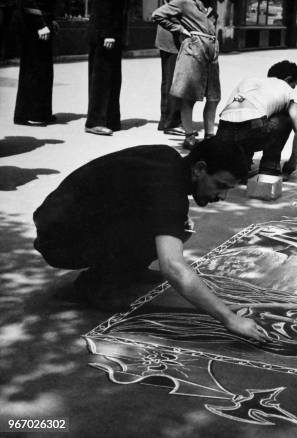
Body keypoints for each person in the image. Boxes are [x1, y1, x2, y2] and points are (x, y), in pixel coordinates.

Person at [33, 140, 269, 342]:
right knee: (167, 229)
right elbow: (173, 267)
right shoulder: (169, 189)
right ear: (199, 168)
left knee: (175, 226)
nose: (222, 196)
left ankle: (125, 269)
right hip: (60, 240)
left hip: (63, 221)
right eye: (220, 185)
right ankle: (97, 284)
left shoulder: (167, 160)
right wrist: (229, 319)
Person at [213, 60, 297, 179]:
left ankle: (241, 164)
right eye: (293, 86)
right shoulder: (285, 88)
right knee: (286, 117)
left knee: (254, 114)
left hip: (224, 133)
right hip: (253, 130)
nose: (292, 89)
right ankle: (270, 168)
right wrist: (291, 164)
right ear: (288, 80)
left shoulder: (249, 81)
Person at [153, 0, 220, 149]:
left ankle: (209, 135)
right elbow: (157, 15)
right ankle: (189, 136)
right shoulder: (184, 2)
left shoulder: (211, 8)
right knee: (188, 97)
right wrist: (179, 29)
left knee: (214, 97)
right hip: (194, 51)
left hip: (211, 53)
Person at [85, 0, 128, 136]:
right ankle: (95, 122)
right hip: (104, 36)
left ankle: (109, 120)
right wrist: (108, 33)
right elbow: (102, 8)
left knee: (112, 80)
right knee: (101, 81)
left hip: (111, 35)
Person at [13, 0, 56, 126]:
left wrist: (51, 20)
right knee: (32, 70)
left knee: (44, 71)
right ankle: (23, 114)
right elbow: (28, 2)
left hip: (41, 24)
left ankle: (40, 113)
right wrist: (40, 25)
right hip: (32, 26)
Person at [155, 1, 182, 135]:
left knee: (170, 81)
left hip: (172, 40)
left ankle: (167, 120)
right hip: (172, 40)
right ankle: (170, 122)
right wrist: (179, 28)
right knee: (172, 81)